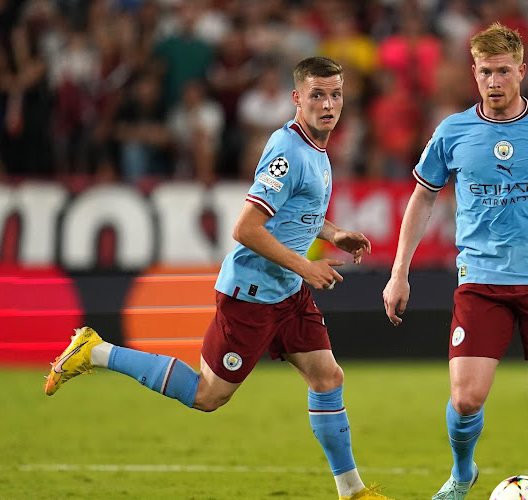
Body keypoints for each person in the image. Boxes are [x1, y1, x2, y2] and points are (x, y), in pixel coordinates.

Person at [45, 56, 392, 500]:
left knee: (327, 378)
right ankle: (96, 351)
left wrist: (334, 232)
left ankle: (352, 492)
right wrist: (306, 265)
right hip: (252, 293)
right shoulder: (289, 151)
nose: (328, 104)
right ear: (297, 98)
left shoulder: (317, 149)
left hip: (287, 292)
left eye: (336, 94)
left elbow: (295, 212)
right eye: (317, 94)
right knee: (208, 395)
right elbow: (245, 228)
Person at [382, 23, 528, 500]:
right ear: (474, 73)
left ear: (522, 72)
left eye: (503, 72)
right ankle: (462, 473)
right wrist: (398, 273)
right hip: (481, 280)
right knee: (466, 398)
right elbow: (422, 197)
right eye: (486, 72)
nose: (494, 82)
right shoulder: (452, 132)